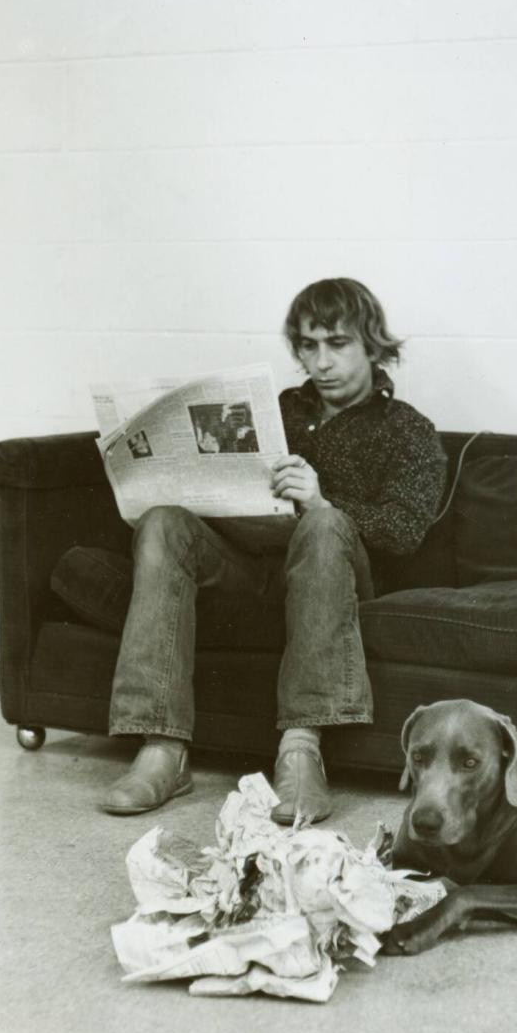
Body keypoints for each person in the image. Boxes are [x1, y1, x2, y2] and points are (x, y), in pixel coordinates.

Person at [102, 278, 448, 825]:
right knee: (163, 523)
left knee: (325, 523)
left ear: (373, 345)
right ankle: (161, 749)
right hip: (249, 562)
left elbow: (405, 530)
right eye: (309, 346)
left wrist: (320, 500)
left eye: (338, 344)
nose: (322, 361)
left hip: (335, 572)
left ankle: (301, 750)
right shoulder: (277, 410)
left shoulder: (407, 430)